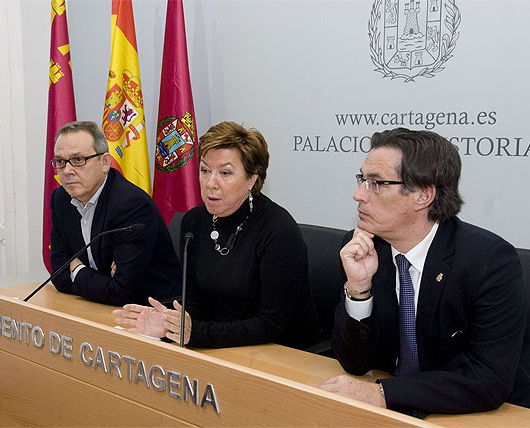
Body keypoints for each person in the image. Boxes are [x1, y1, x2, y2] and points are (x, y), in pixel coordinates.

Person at [318, 128, 530, 416]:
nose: (358, 195)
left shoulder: (489, 261)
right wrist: (359, 287)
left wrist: (381, 393)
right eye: (362, 180)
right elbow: (354, 363)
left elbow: (487, 379)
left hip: (496, 413)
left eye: (376, 183)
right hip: (403, 408)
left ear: (423, 196)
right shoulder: (363, 248)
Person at [113, 121, 325, 349]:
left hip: (285, 354)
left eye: (225, 173)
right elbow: (195, 301)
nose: (210, 183)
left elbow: (272, 325)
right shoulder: (194, 222)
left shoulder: (278, 230)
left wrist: (196, 334)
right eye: (205, 170)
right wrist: (170, 324)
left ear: (252, 178)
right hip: (221, 346)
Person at [49, 120, 181, 306]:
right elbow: (58, 274)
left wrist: (76, 269)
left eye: (78, 160)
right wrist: (104, 282)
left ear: (104, 162)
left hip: (152, 312)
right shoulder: (60, 198)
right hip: (97, 305)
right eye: (61, 162)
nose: (68, 171)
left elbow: (123, 291)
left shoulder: (131, 204)